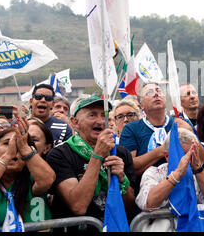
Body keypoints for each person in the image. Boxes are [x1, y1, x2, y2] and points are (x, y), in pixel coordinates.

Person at [46, 95, 137, 229]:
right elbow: (78, 206)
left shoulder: (121, 153)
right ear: (75, 122)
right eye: (92, 115)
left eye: (103, 115)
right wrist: (98, 155)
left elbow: (129, 207)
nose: (100, 121)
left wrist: (122, 179)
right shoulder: (59, 154)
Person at [0, 118, 56, 229]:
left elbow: (48, 180)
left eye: (19, 147)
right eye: (7, 143)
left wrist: (24, 147)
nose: (13, 150)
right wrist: (6, 157)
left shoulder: (32, 180)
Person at [119, 83, 194, 184]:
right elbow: (129, 167)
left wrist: (189, 131)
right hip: (146, 190)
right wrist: (163, 149)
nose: (156, 94)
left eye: (159, 91)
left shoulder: (181, 124)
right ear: (141, 105)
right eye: (149, 93)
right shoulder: (131, 129)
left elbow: (199, 159)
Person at [135, 127, 204, 212]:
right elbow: (149, 203)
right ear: (167, 156)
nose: (187, 159)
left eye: (191, 154)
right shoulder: (154, 173)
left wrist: (198, 168)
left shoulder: (199, 172)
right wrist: (177, 173)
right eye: (182, 155)